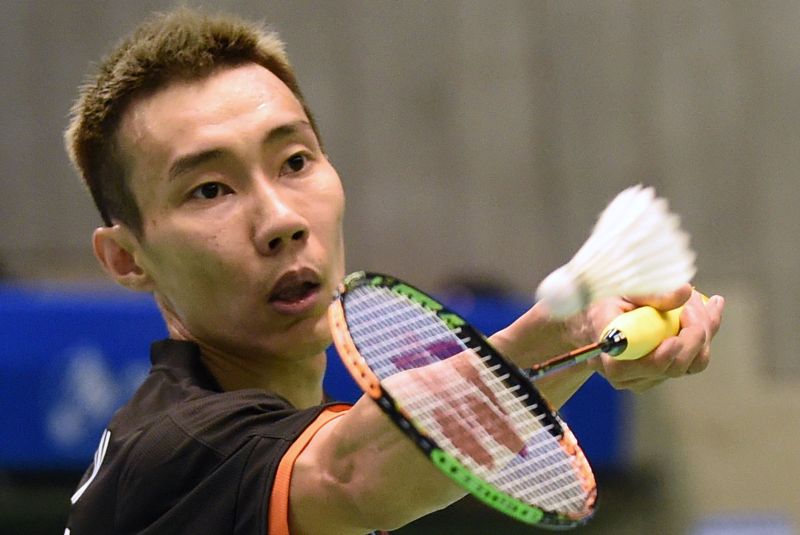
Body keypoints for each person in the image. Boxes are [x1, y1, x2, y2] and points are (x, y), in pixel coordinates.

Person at [62, 8, 724, 535]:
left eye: (295, 161)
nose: (280, 219)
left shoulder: (274, 456)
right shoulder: (173, 450)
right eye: (209, 190)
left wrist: (584, 330)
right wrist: (567, 327)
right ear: (127, 258)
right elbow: (356, 472)